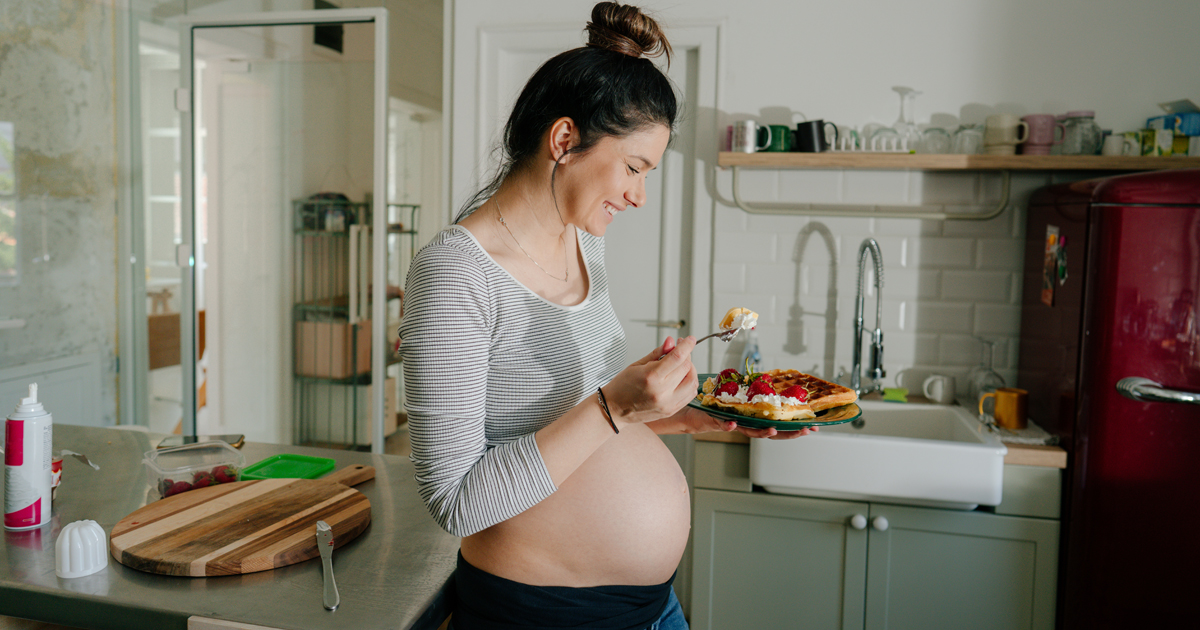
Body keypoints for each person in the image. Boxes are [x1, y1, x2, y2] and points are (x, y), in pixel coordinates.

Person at [398, 3, 811, 628]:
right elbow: (456, 501)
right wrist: (614, 404)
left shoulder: (582, 244)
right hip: (546, 614)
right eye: (634, 167)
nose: (639, 195)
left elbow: (581, 430)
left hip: (653, 608)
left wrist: (704, 418)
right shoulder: (457, 271)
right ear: (564, 141)